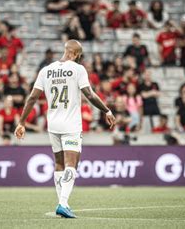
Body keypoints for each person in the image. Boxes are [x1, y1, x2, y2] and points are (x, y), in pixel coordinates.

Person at [15, 40, 116, 218]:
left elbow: (32, 98)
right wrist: (106, 110)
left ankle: (63, 202)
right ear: (76, 54)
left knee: (59, 164)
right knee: (72, 164)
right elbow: (89, 94)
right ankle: (62, 203)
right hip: (70, 124)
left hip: (52, 124)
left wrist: (22, 122)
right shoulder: (78, 69)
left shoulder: (46, 70)